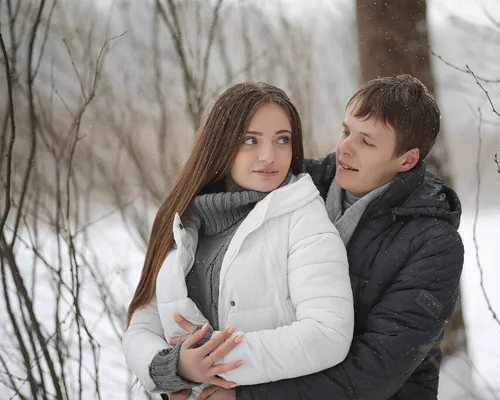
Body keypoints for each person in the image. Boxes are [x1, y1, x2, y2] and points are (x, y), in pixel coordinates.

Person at [182, 74, 465, 400]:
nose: (345, 148)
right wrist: (182, 371)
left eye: (367, 142)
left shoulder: (433, 245)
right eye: (346, 131)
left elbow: (375, 371)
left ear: (407, 159)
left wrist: (247, 397)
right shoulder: (294, 186)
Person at [122, 82, 354, 399]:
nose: (269, 156)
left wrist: (212, 361)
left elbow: (328, 335)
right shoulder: (185, 219)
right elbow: (142, 325)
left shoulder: (304, 220)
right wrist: (174, 368)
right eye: (250, 140)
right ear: (221, 144)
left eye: (282, 140)